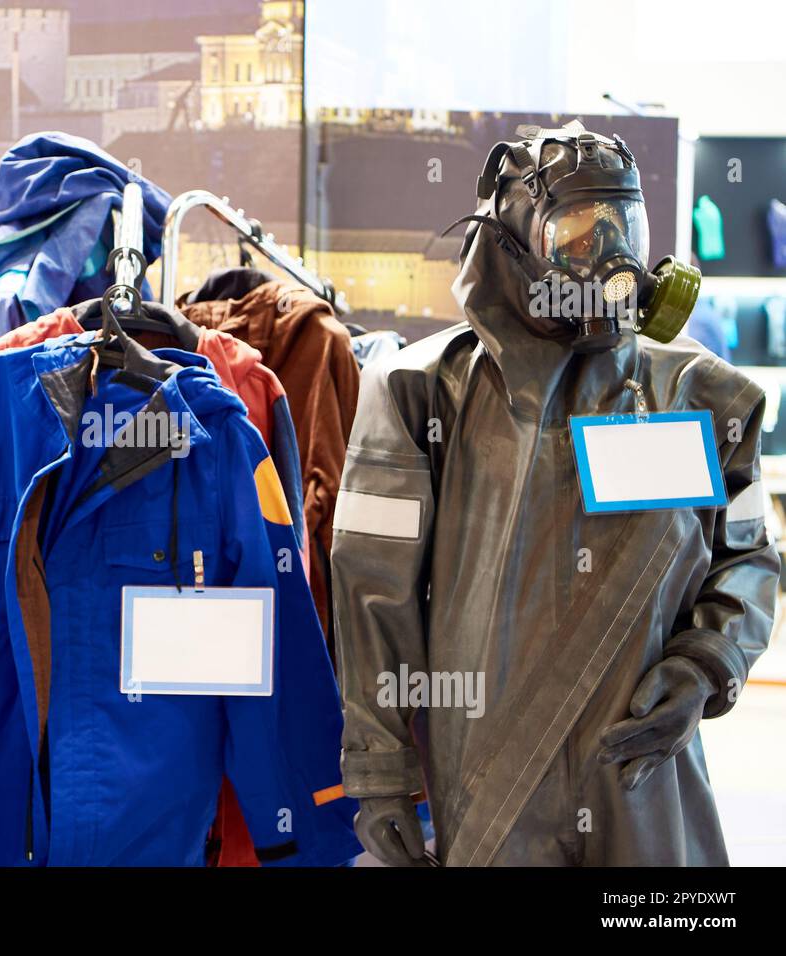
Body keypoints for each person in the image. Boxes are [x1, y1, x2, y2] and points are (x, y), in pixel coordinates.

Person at [333, 122, 778, 866]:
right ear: (511, 245)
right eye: (578, 233)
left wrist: (706, 662)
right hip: (491, 785)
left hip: (641, 774)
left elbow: (750, 556)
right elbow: (372, 595)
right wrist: (380, 777)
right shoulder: (419, 393)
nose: (612, 262)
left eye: (623, 225)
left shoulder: (703, 393)